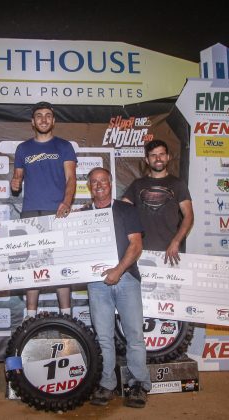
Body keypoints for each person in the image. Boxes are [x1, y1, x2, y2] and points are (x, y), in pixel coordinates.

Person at [84, 167, 151, 408]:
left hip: (127, 279)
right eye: (94, 182)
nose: (99, 185)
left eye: (103, 180)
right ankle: (107, 384)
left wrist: (118, 270)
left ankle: (139, 384)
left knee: (134, 336)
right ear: (89, 186)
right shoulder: (82, 216)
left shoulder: (125, 209)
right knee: (103, 337)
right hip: (96, 283)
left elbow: (136, 245)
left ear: (111, 183)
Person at [11, 101, 77, 318]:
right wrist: (15, 183)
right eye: (39, 116)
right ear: (33, 121)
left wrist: (67, 202)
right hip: (31, 212)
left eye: (48, 115)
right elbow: (17, 178)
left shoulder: (64, 146)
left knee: (61, 265)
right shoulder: (23, 148)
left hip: (57, 212)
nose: (43, 119)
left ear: (53, 120)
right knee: (32, 265)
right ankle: (30, 317)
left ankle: (66, 317)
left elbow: (71, 178)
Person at [122, 139, 194, 264]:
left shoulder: (178, 184)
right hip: (140, 252)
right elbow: (122, 210)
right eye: (153, 155)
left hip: (170, 251)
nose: (158, 158)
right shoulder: (137, 185)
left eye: (161, 154)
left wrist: (176, 242)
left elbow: (189, 216)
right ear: (147, 160)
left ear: (168, 157)